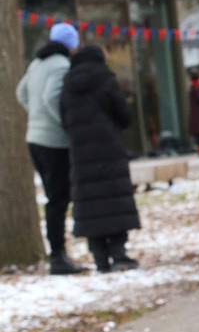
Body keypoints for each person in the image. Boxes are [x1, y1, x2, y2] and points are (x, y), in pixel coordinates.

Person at [60, 45, 140, 273]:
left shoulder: (68, 83)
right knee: (113, 199)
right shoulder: (106, 78)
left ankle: (100, 259)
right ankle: (119, 254)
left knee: (90, 204)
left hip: (80, 152)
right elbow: (123, 114)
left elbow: (63, 119)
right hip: (109, 149)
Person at [16, 22, 85, 275]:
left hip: (34, 138)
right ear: (71, 43)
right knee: (58, 198)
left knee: (54, 196)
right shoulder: (61, 65)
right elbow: (50, 97)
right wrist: (66, 125)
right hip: (54, 142)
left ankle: (59, 253)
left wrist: (35, 119)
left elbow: (21, 93)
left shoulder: (36, 64)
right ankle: (58, 256)